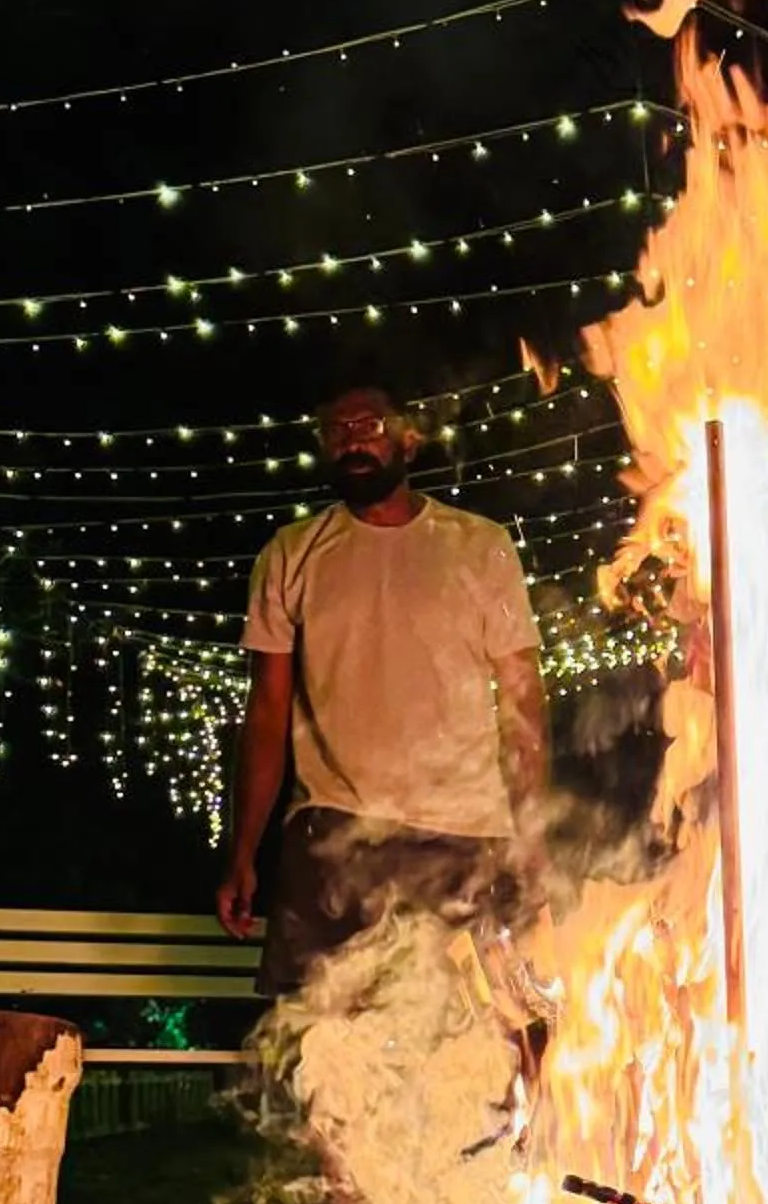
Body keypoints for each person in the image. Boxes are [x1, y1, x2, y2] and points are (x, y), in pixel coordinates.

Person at [218, 374, 549, 993]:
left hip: (464, 833)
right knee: (322, 1041)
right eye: (336, 431)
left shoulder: (480, 547)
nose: (352, 441)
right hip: (333, 833)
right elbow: (265, 714)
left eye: (368, 425)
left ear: (409, 438)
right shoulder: (292, 553)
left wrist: (531, 835)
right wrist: (243, 853)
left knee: (473, 1042)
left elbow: (524, 700)